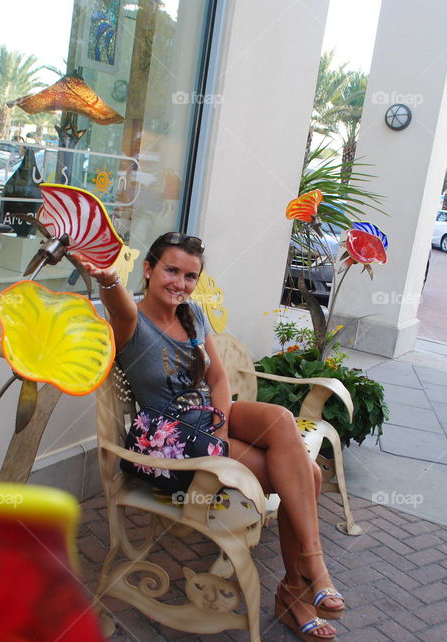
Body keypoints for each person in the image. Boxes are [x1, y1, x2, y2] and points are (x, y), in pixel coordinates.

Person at [78, 232, 346, 641]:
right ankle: (303, 584)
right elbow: (120, 306)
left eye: (189, 276)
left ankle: (305, 575)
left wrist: (220, 425)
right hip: (171, 440)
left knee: (278, 418)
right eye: (170, 270)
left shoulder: (194, 313)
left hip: (207, 420)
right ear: (148, 270)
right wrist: (109, 280)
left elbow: (218, 377)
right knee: (307, 475)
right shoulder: (133, 322)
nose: (179, 284)